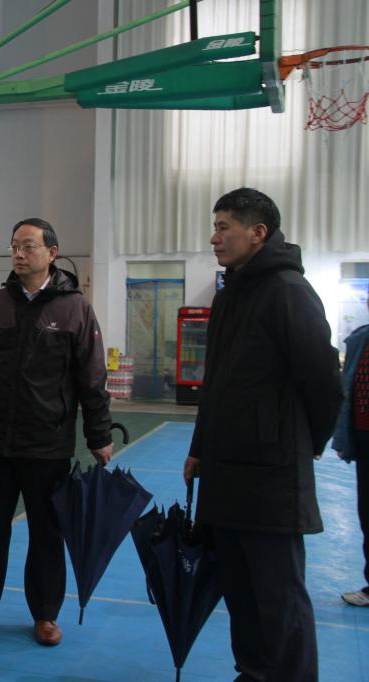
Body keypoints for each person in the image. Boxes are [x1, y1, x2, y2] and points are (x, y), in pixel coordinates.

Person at [183, 188, 342, 681]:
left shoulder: (289, 291)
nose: (214, 238)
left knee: (279, 596)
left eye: (223, 227)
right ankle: (254, 673)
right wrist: (199, 448)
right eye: (214, 227)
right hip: (225, 473)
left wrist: (304, 442)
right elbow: (215, 382)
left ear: (258, 233)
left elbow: (323, 381)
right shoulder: (231, 295)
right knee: (241, 591)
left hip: (271, 477)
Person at [0, 218, 112, 647]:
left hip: (47, 443)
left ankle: (45, 615)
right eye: (14, 246)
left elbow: (92, 378)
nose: (19, 254)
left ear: (52, 253)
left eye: (28, 246)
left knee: (46, 532)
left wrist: (98, 436)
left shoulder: (75, 309)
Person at [335, 297, 369, 607]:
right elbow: (348, 391)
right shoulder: (360, 340)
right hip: (364, 442)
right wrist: (343, 438)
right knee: (367, 515)